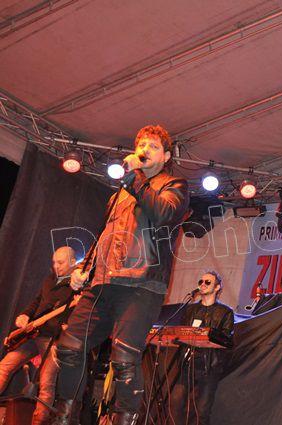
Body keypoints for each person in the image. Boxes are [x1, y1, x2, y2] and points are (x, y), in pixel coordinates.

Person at [50, 125, 190, 425]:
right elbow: (106, 234)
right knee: (69, 347)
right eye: (141, 145)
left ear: (166, 157)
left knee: (124, 358)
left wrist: (133, 179)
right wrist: (85, 269)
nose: (145, 150)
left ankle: (123, 420)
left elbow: (164, 214)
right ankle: (63, 417)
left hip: (142, 284)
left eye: (153, 146)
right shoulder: (119, 196)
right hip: (104, 282)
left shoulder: (174, 185)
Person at [0, 246, 77, 425]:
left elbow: (80, 313)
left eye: (60, 262)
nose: (56, 266)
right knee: (4, 366)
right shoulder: (50, 280)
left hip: (52, 339)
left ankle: (39, 422)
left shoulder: (77, 286)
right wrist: (25, 315)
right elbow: (36, 301)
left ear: (73, 262)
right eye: (54, 262)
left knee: (46, 385)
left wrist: (68, 326)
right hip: (33, 334)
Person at [169, 271, 234, 425]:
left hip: (209, 366)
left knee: (202, 411)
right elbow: (181, 333)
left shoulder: (225, 312)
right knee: (175, 402)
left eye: (207, 282)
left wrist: (205, 337)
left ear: (217, 287)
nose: (203, 284)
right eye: (201, 281)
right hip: (187, 364)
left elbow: (226, 340)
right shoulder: (190, 309)